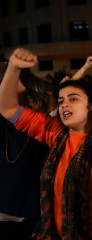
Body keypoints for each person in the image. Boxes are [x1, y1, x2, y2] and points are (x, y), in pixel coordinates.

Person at [0, 48, 92, 240]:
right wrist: (13, 67)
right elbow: (7, 108)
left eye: (73, 99)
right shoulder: (55, 133)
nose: (64, 104)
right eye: (61, 101)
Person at [0, 61, 50, 240]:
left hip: (27, 221)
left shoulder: (44, 130)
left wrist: (43, 220)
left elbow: (49, 181)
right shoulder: (4, 127)